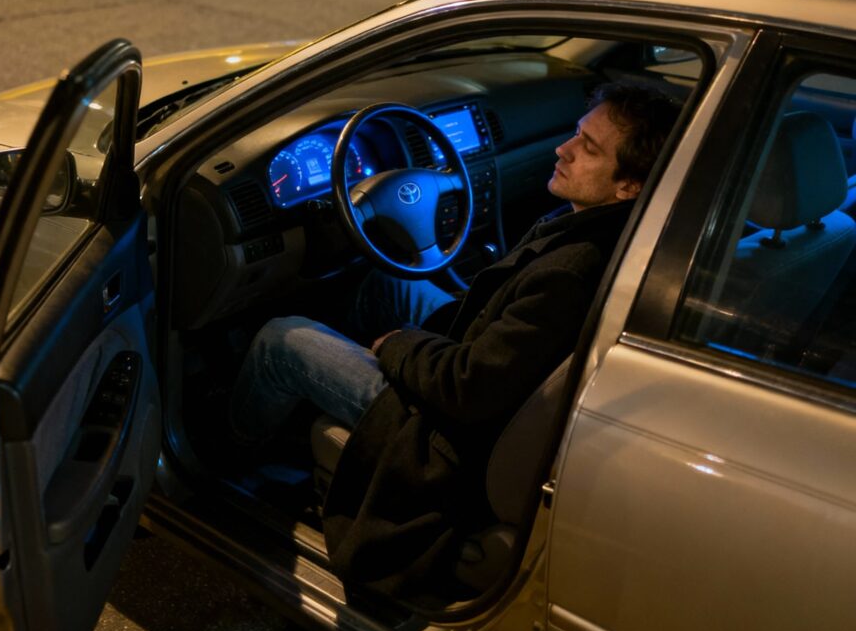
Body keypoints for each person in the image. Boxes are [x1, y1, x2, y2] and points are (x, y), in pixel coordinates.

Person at [228, 82, 681, 596]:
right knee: (389, 281)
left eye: (589, 148)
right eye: (577, 133)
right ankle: (304, 416)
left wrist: (397, 347)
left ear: (630, 186)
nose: (563, 148)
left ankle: (231, 460)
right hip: (485, 370)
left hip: (441, 430)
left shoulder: (572, 274)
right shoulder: (618, 233)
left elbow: (469, 388)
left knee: (280, 340)